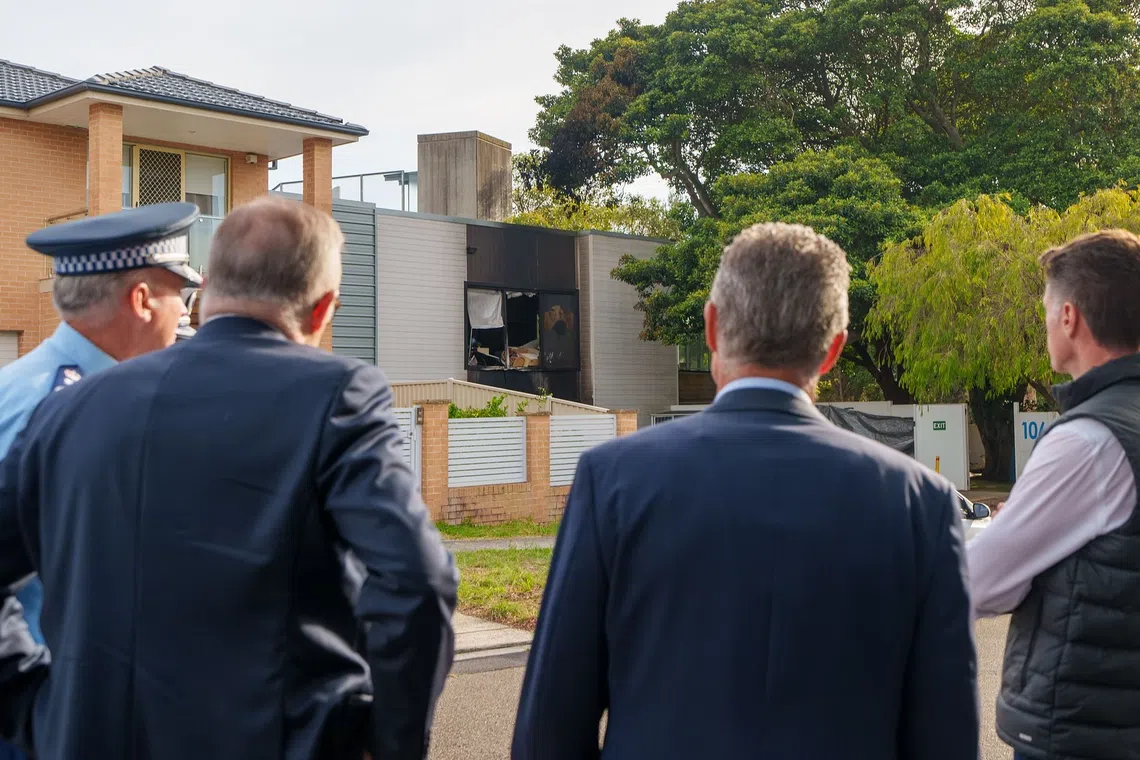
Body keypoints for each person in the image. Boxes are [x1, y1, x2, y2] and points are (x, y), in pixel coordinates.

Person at [0, 196, 458, 760]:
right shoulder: (338, 394)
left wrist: (33, 708)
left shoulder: (69, 408)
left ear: (208, 289)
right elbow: (416, 578)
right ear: (323, 310)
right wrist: (385, 742)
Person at [512, 222, 979, 760]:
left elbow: (548, 730)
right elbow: (946, 738)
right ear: (833, 350)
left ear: (711, 328)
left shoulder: (612, 479)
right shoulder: (921, 502)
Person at [0, 202, 201, 760]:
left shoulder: (25, 388)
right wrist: (36, 706)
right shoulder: (69, 412)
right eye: (178, 297)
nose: (185, 317)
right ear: (141, 301)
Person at [968, 229, 1140, 760]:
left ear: (1069, 318)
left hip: (1087, 728)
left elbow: (979, 580)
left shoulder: (1087, 441)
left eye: (1046, 310)